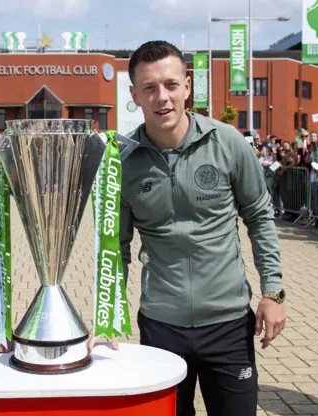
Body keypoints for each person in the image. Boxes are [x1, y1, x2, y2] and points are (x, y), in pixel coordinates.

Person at [118, 41, 286, 416]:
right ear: (134, 95)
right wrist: (108, 317)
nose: (162, 97)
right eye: (149, 88)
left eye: (171, 85)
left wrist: (272, 293)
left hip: (227, 324)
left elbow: (259, 216)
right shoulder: (122, 162)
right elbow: (116, 247)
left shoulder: (226, 142)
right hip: (161, 328)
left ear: (187, 86)